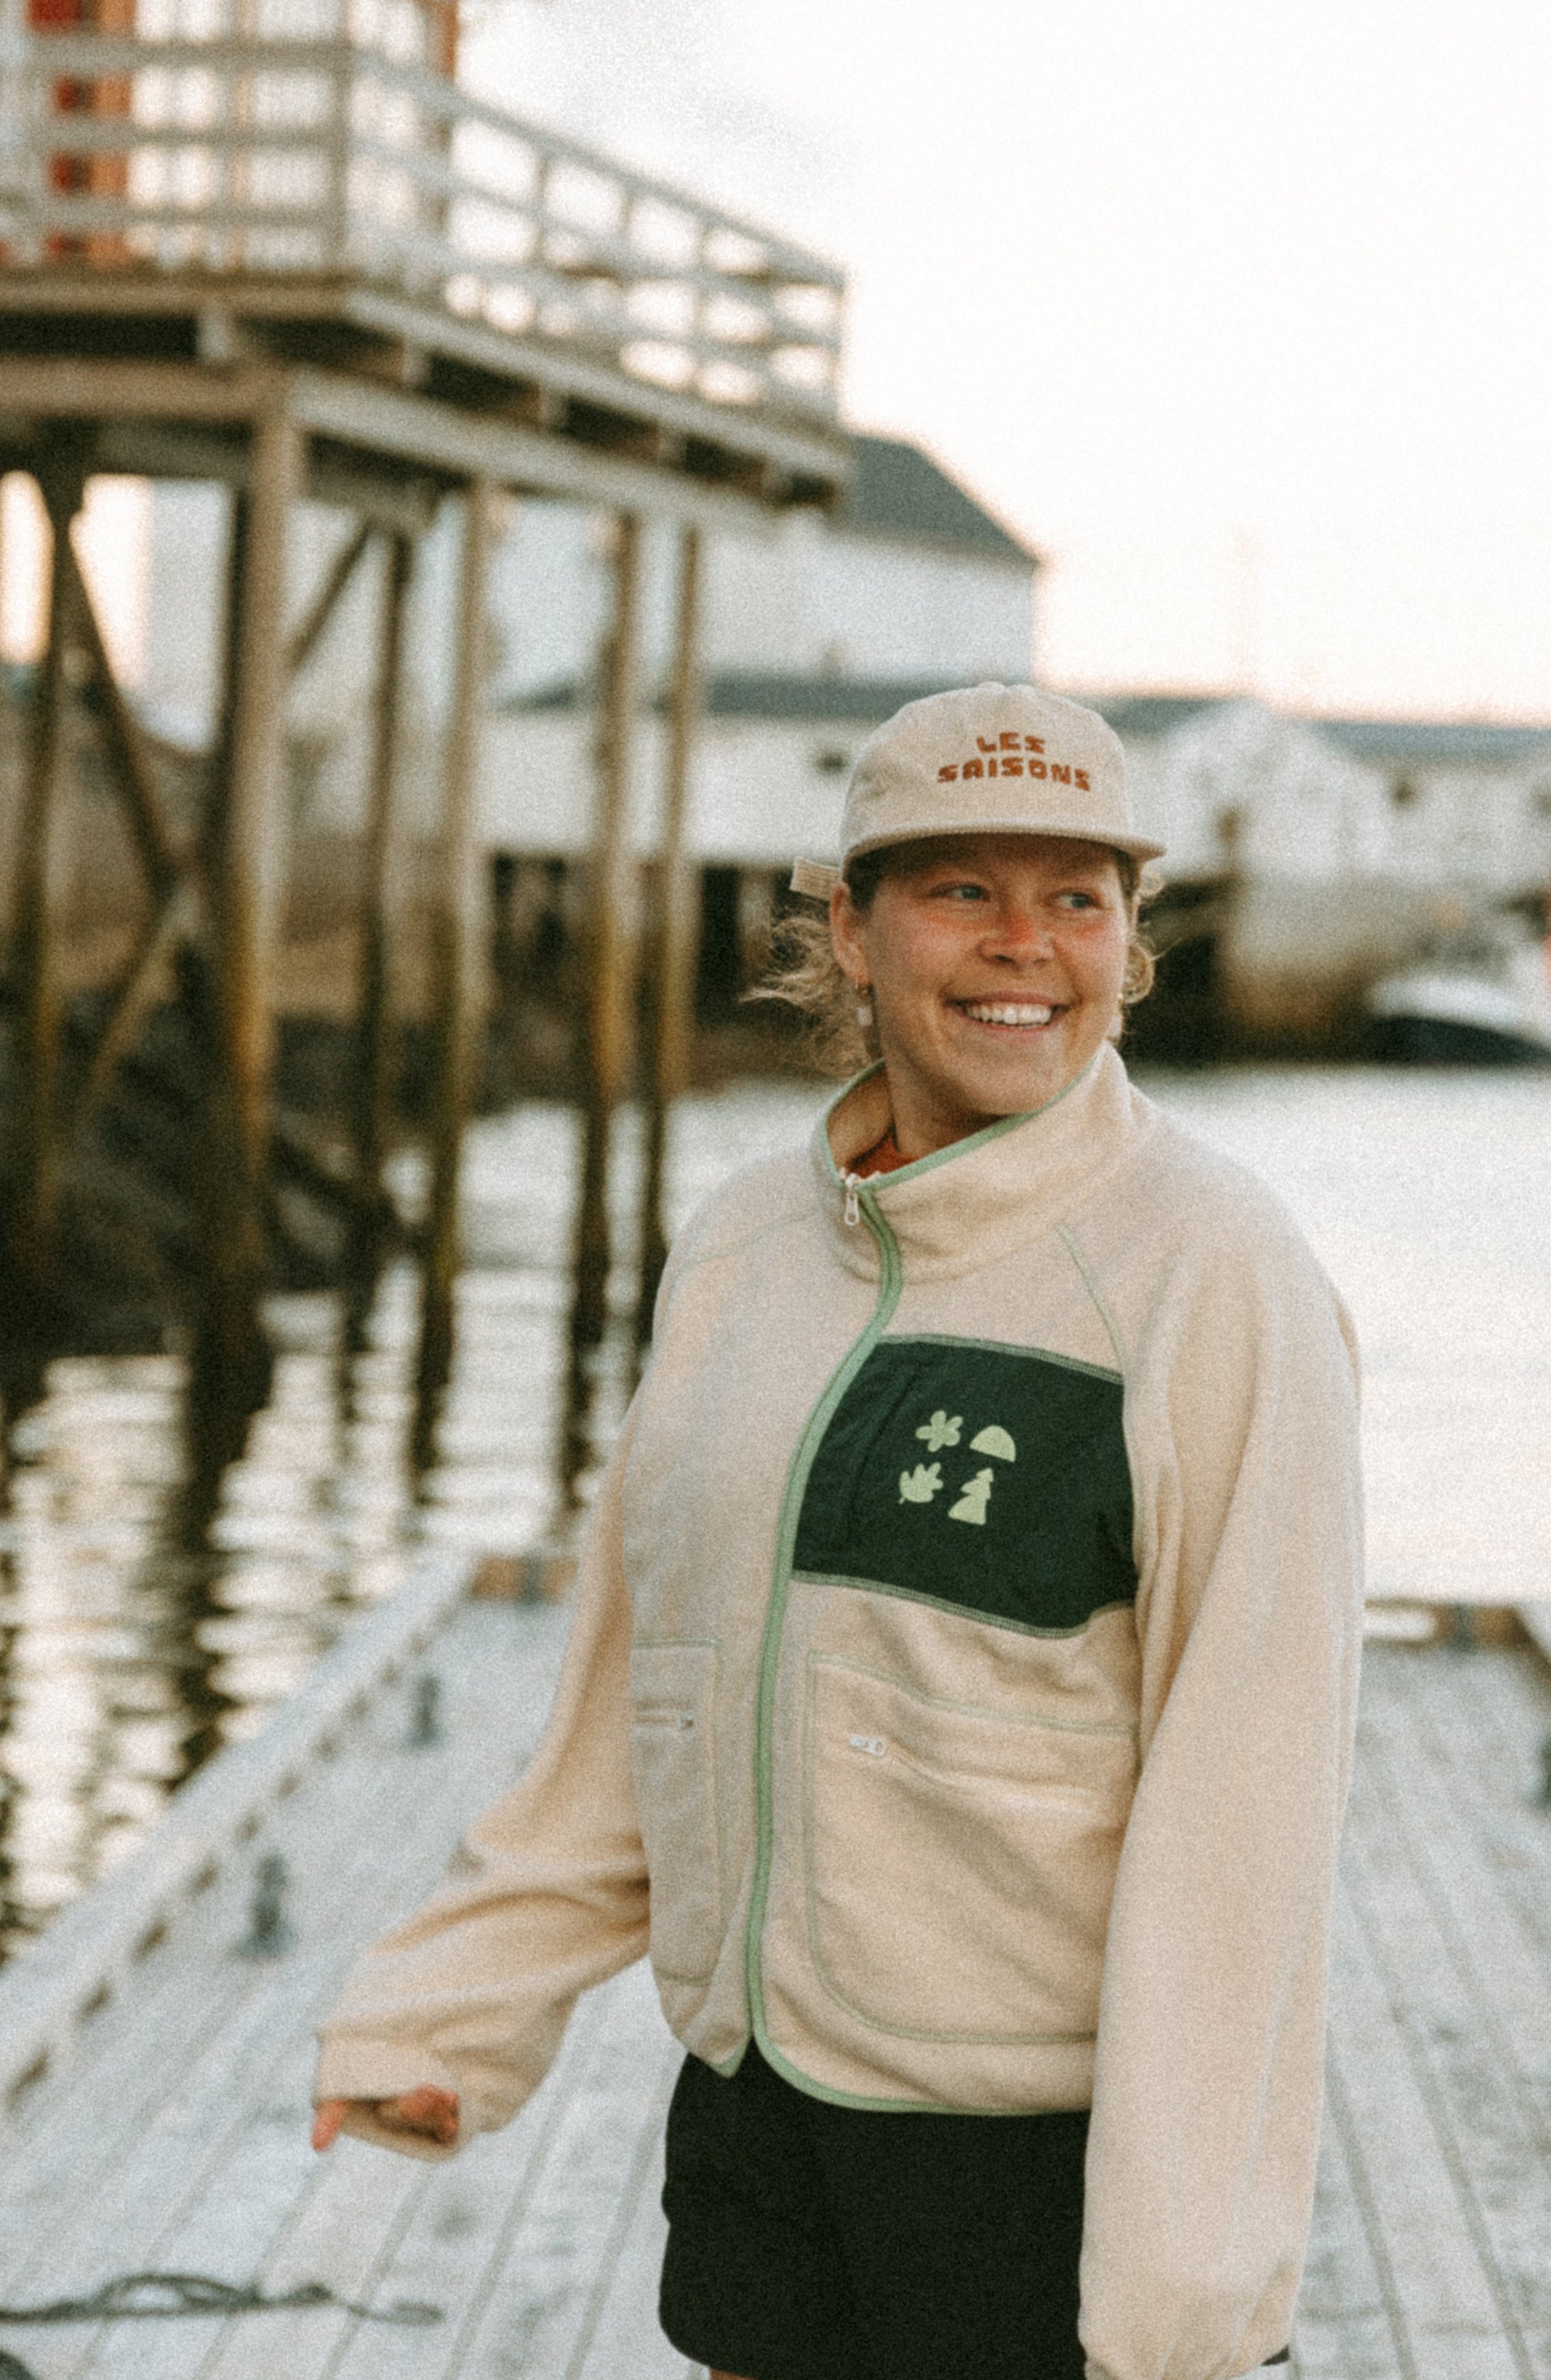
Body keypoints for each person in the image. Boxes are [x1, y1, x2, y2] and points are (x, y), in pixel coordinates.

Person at [311, 683, 1364, 2380]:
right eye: (961, 889)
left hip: (1031, 2158)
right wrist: (452, 2011)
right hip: (760, 2107)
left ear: (1129, 941)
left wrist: (1185, 2294)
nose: (1024, 945)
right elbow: (640, 1699)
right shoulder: (742, 1250)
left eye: (1076, 897)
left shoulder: (1214, 1270)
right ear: (850, 929)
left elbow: (1251, 1806)